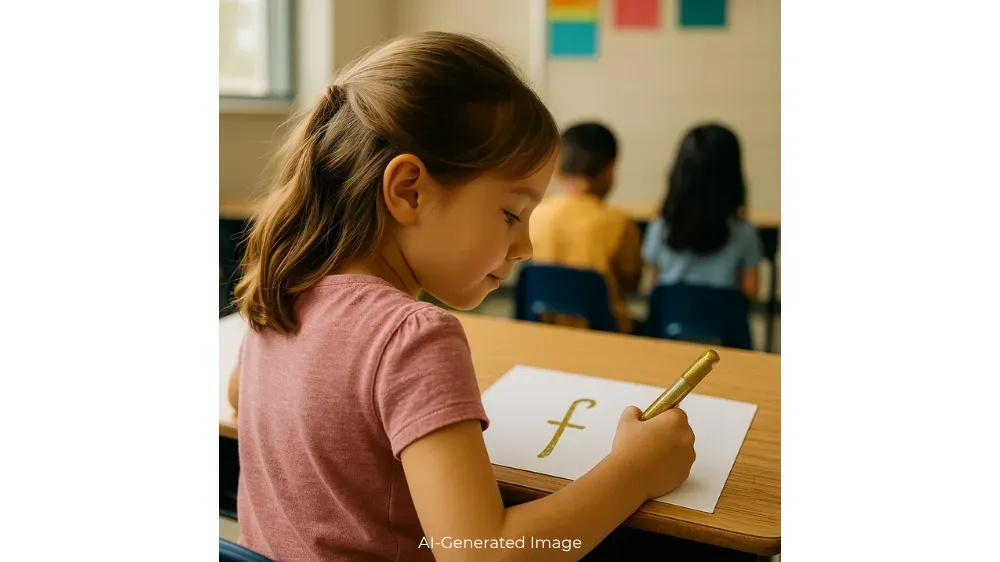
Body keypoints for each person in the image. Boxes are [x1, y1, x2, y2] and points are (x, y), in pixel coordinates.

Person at [230, 32, 695, 561]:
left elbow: (240, 393)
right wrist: (634, 471)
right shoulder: (411, 336)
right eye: (511, 214)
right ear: (410, 191)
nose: (525, 246)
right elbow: (481, 554)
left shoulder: (285, 288)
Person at [529, 122, 642, 333]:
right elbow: (631, 284)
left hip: (544, 324)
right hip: (604, 330)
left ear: (558, 170)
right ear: (609, 170)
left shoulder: (536, 215)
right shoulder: (619, 222)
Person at [642, 123, 763, 302]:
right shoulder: (744, 233)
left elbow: (655, 286)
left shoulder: (659, 227)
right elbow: (750, 291)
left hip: (667, 326)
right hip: (723, 327)